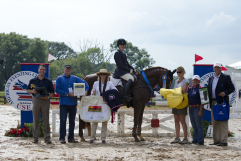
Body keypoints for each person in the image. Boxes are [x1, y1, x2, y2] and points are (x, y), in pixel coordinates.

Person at [56, 64, 89, 144]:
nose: (67, 70)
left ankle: (71, 138)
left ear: (71, 70)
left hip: (73, 103)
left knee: (72, 121)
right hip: (64, 103)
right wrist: (67, 94)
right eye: (66, 68)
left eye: (69, 69)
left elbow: (85, 83)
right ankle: (62, 138)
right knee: (63, 121)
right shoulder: (59, 78)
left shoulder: (74, 78)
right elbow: (57, 89)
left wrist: (86, 91)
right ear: (64, 69)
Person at [208, 62, 235, 146]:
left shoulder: (226, 77)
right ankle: (216, 140)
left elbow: (232, 88)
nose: (216, 69)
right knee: (214, 121)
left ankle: (223, 141)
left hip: (222, 102)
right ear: (213, 69)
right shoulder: (211, 78)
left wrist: (224, 92)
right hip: (213, 102)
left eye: (218, 67)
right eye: (215, 67)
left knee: (223, 121)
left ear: (221, 68)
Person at [26, 64, 54, 144]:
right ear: (38, 70)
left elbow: (52, 92)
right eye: (41, 69)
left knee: (46, 119)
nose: (42, 71)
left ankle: (47, 138)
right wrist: (32, 91)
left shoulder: (48, 81)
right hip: (36, 100)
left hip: (45, 101)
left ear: (45, 71)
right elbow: (27, 90)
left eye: (43, 70)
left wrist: (48, 97)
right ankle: (35, 138)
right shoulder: (32, 80)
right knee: (36, 120)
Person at [89, 69, 118, 144]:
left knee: (104, 121)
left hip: (106, 104)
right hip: (97, 104)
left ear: (106, 75)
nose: (103, 75)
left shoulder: (110, 83)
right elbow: (92, 92)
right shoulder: (95, 83)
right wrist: (93, 92)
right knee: (94, 121)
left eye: (104, 74)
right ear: (99, 75)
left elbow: (115, 91)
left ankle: (103, 138)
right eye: (101, 74)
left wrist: (108, 94)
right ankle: (92, 138)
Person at [171, 66, 190, 144]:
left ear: (183, 72)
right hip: (175, 102)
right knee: (176, 121)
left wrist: (175, 91)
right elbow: (175, 90)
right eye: (177, 72)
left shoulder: (186, 80)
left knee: (182, 121)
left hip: (182, 102)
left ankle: (185, 138)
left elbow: (183, 90)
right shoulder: (176, 81)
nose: (178, 73)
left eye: (179, 72)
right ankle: (177, 137)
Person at [187, 75, 204, 145]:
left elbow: (204, 101)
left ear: (199, 81)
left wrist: (201, 110)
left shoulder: (201, 89)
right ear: (192, 81)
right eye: (194, 80)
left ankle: (200, 140)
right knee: (194, 125)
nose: (195, 81)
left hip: (197, 108)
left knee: (198, 125)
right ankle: (195, 139)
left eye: (197, 80)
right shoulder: (190, 89)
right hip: (191, 108)